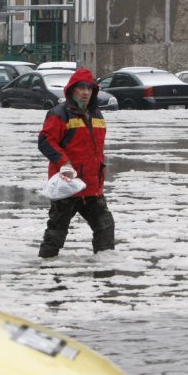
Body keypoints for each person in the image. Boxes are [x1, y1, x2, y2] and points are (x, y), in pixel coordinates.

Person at [37, 67, 114, 258]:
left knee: (105, 227)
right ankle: (47, 265)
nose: (85, 92)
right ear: (72, 90)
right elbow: (46, 141)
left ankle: (104, 264)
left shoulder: (96, 115)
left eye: (89, 88)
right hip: (67, 185)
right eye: (81, 88)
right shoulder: (59, 113)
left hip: (91, 187)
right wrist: (64, 162)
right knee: (57, 230)